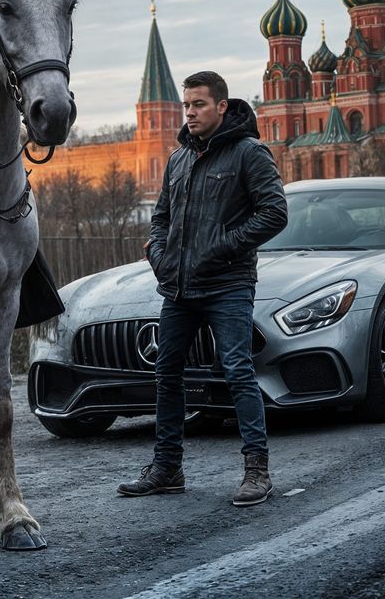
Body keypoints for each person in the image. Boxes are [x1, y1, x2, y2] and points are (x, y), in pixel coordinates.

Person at [119, 71, 288, 507]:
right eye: (186, 105)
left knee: (236, 369)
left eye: (198, 104)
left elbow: (274, 213)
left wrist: (223, 247)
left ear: (221, 107)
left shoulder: (249, 154)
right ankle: (167, 468)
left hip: (228, 283)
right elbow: (160, 219)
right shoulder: (179, 159)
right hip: (178, 287)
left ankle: (257, 471)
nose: (190, 112)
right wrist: (160, 255)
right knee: (166, 372)